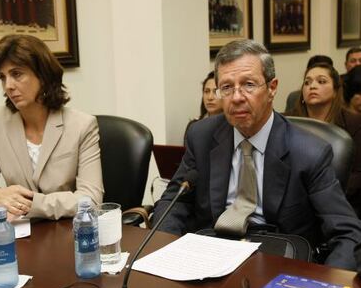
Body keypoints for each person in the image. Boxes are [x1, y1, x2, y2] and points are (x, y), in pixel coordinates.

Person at [152, 39, 361, 270]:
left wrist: (325, 287)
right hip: (210, 256)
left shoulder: (309, 152)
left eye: (249, 85)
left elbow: (347, 233)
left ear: (272, 88)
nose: (237, 97)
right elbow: (173, 202)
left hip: (278, 262)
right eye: (227, 87)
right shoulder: (201, 136)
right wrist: (167, 257)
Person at [0, 34, 104, 220]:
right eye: (2, 77)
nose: (8, 86)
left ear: (43, 76)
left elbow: (91, 199)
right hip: (18, 235)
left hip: (67, 232)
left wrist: (27, 205)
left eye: (17, 74)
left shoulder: (82, 125)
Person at [287, 62, 361, 217]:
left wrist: (324, 195)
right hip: (293, 201)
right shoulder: (286, 121)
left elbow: (357, 174)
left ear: (335, 91)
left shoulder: (354, 123)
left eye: (321, 81)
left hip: (340, 202)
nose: (312, 86)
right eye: (307, 82)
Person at [184, 71, 222, 142]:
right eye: (206, 91)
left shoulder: (233, 126)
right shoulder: (193, 126)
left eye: (215, 92)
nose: (210, 97)